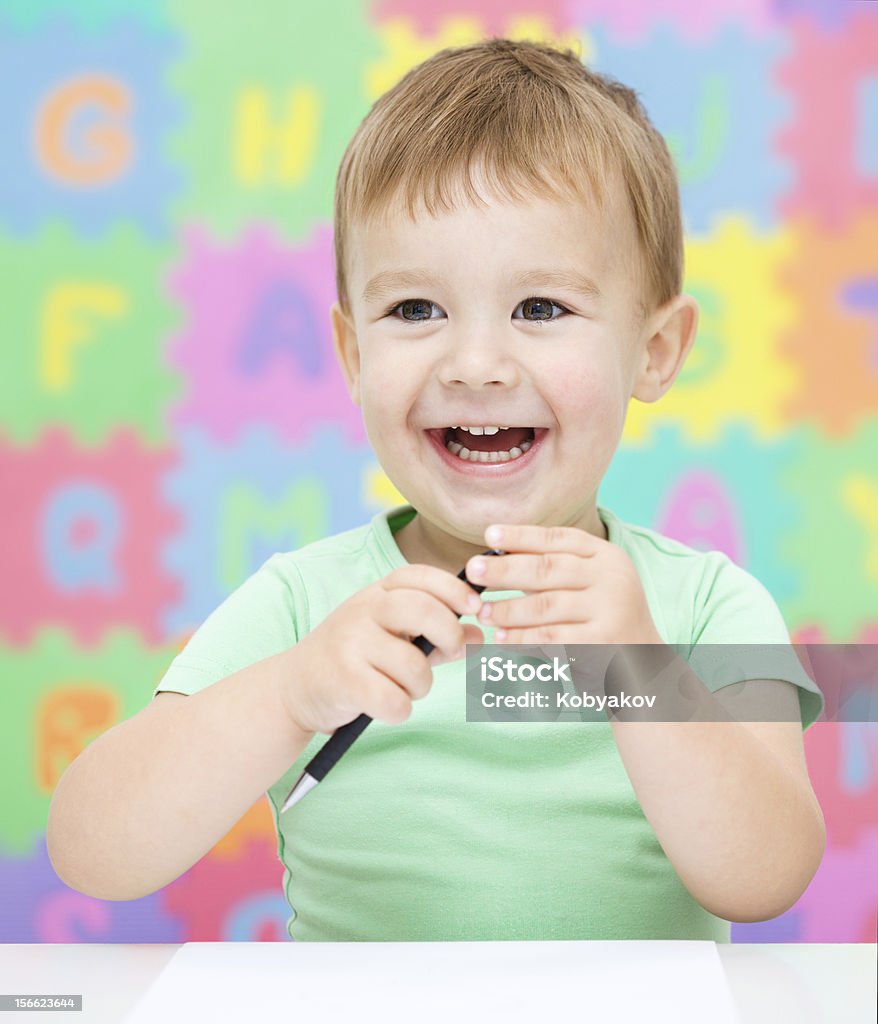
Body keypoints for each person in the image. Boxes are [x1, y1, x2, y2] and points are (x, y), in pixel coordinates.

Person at [47, 37, 825, 942]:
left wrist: (638, 671)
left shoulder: (706, 605)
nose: (477, 364)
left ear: (653, 352)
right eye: (415, 309)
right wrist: (293, 693)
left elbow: (767, 877)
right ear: (352, 353)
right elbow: (92, 850)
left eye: (541, 308)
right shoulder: (305, 607)